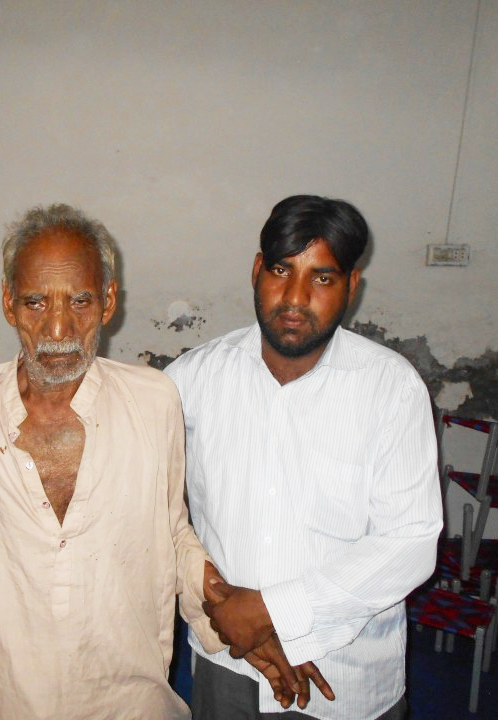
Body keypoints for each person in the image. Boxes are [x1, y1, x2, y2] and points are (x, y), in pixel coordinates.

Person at [0, 203, 293, 720]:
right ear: (8, 303)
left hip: (119, 692)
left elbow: (172, 530)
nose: (57, 327)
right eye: (34, 302)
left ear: (108, 302)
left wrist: (226, 612)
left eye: (79, 300)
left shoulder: (153, 400)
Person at [165, 195, 443, 719]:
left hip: (344, 677)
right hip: (228, 665)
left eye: (322, 278)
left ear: (351, 287)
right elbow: (148, 500)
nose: (294, 297)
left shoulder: (391, 389)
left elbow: (409, 541)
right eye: (280, 270)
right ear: (256, 270)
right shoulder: (192, 380)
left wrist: (271, 610)